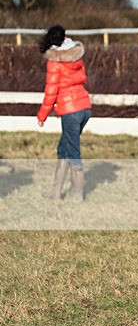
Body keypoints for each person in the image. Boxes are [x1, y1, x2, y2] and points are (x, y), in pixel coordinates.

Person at [37, 25, 91, 201]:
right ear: (65, 37)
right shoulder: (76, 56)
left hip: (70, 110)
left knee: (73, 151)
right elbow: (82, 79)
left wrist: (42, 116)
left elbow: (51, 91)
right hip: (84, 107)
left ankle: (77, 195)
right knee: (64, 148)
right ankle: (55, 192)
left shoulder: (55, 62)